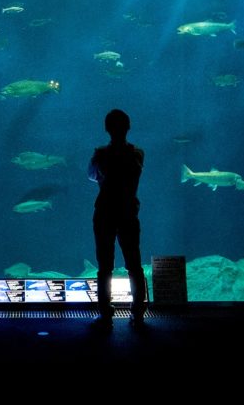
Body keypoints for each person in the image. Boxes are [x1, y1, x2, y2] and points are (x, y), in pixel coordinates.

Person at [88, 108, 147, 326]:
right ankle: (138, 310)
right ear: (128, 127)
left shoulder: (101, 154)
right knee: (134, 263)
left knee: (105, 265)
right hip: (128, 211)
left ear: (106, 129)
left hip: (104, 212)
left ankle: (105, 310)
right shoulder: (138, 153)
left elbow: (91, 175)